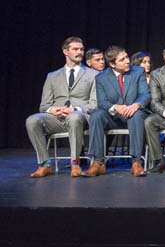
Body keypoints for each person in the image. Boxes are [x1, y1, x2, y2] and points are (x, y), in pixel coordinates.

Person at [26, 37, 98, 177]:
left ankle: (75, 164)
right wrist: (52, 110)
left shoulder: (93, 74)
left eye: (81, 49)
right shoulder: (52, 76)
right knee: (32, 120)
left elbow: (94, 104)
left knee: (74, 117)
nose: (80, 52)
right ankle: (45, 164)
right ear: (65, 51)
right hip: (57, 118)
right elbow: (44, 105)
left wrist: (75, 109)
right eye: (75, 49)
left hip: (81, 117)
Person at [83, 45, 150, 177]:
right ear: (113, 64)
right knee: (96, 115)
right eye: (122, 59)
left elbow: (145, 94)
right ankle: (98, 162)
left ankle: (136, 162)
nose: (127, 61)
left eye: (126, 57)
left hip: (134, 114)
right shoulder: (101, 78)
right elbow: (102, 102)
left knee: (136, 115)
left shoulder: (138, 71)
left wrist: (135, 105)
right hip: (114, 117)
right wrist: (116, 107)